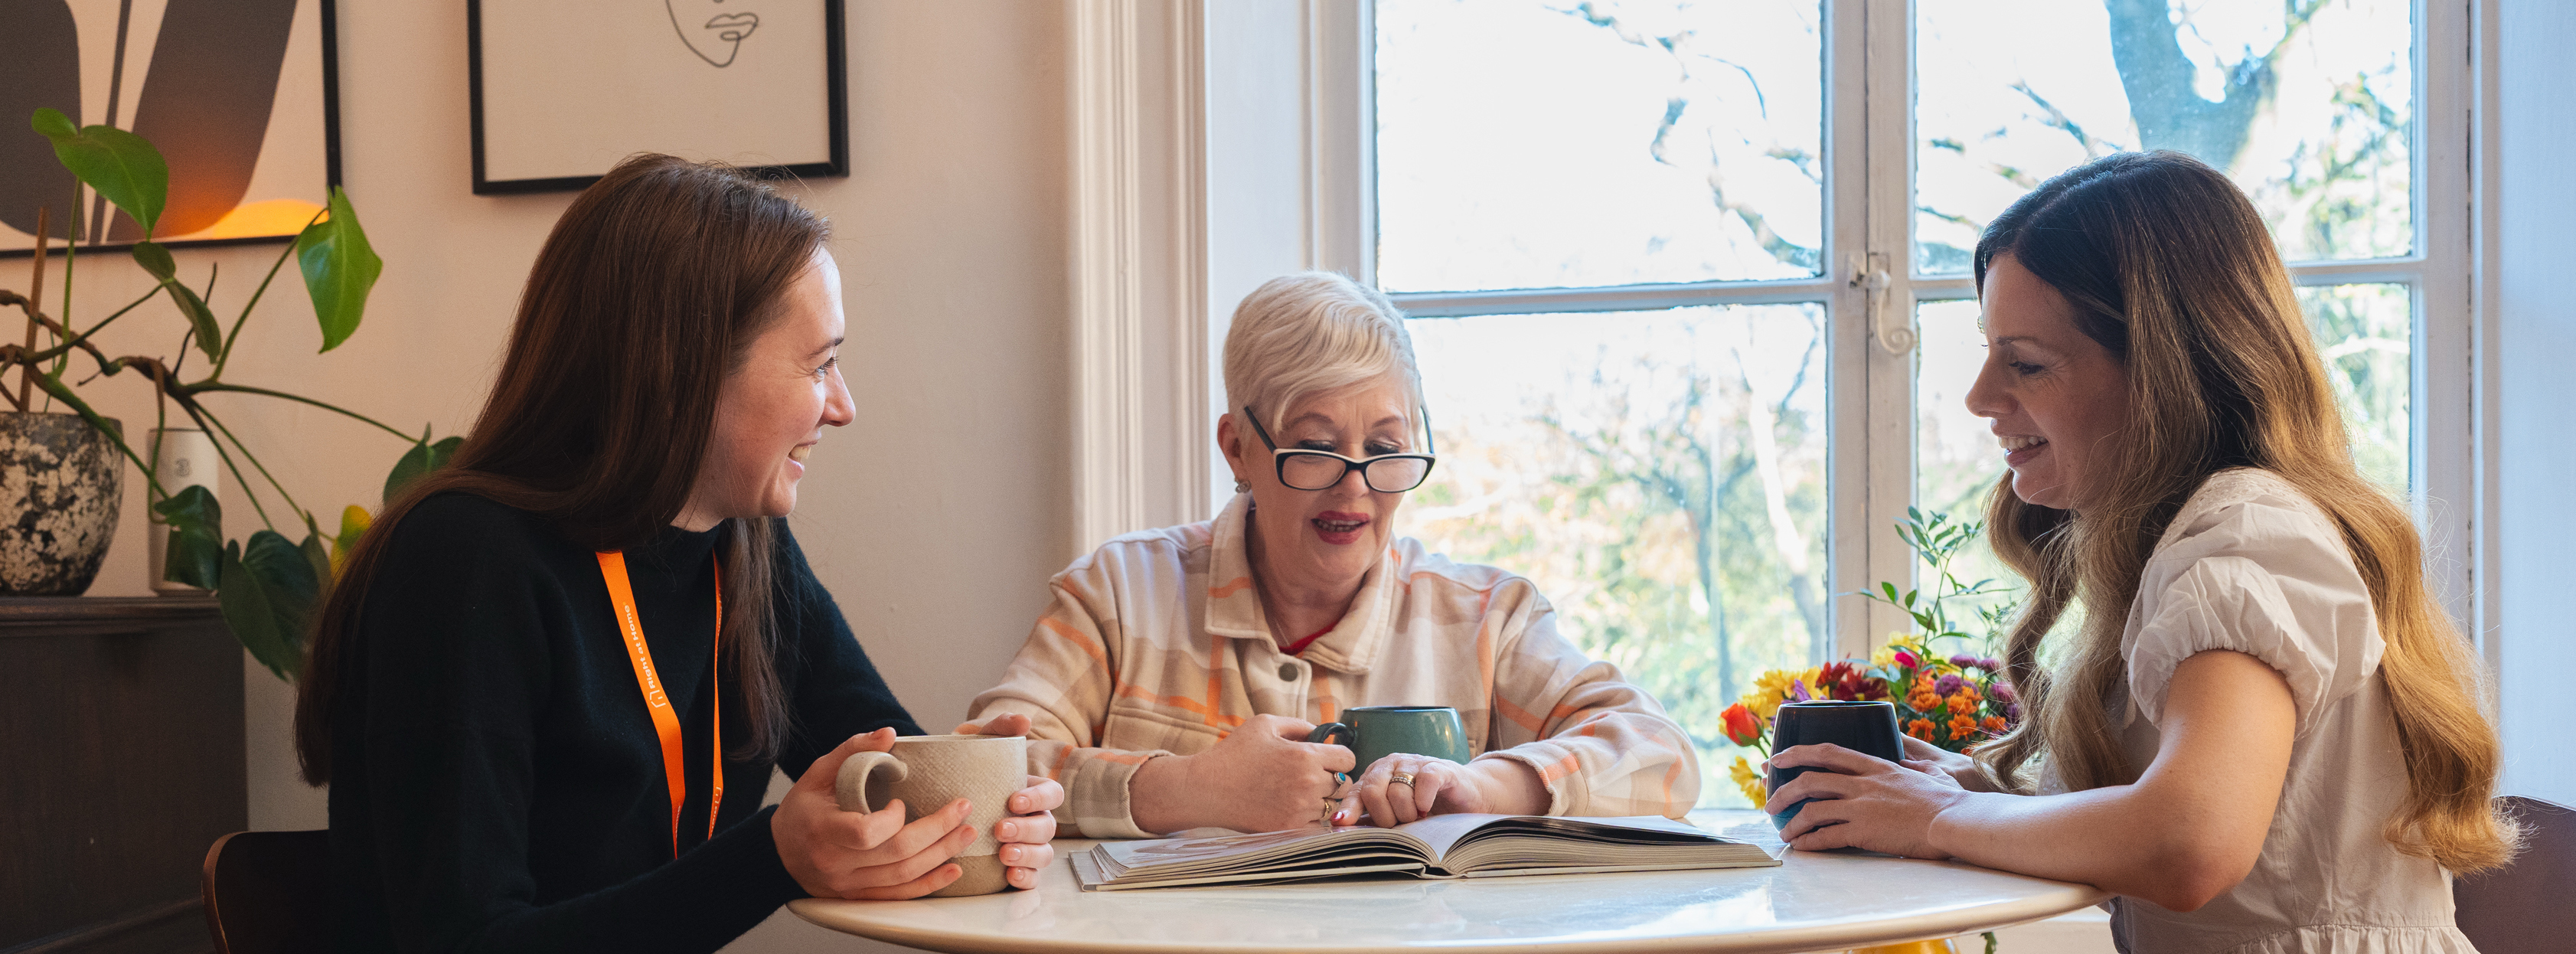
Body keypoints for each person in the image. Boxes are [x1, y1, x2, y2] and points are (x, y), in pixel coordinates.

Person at [291, 155, 1064, 953]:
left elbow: (882, 774)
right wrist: (770, 856)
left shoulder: (743, 544)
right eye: (820, 363)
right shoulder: (464, 562)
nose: (843, 406)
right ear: (686, 372)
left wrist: (981, 797)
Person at [1762, 152, 2516, 952]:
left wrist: (1941, 817)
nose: (1979, 396)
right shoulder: (2199, 539)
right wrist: (1964, 791)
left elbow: (2190, 838)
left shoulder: (2244, 536)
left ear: (2161, 374)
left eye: (2024, 362)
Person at [962, 272, 1698, 838]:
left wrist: (1488, 787)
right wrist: (1189, 788)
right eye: (1314, 447)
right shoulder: (1119, 596)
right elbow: (982, 770)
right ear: (1237, 448)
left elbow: (1662, 756)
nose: (1355, 489)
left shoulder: (1485, 619)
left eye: (1383, 450)